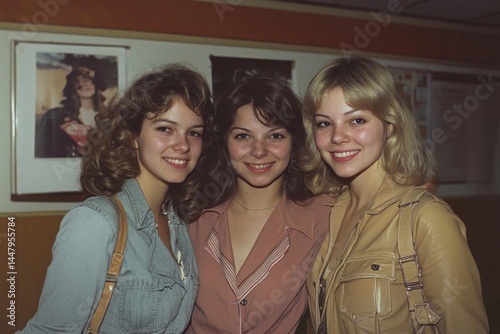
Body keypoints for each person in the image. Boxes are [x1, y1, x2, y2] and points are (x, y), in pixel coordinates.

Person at [18, 63, 214, 333]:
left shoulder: (180, 222)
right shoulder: (95, 223)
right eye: (165, 129)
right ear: (133, 136)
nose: (183, 145)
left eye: (194, 133)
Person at [303, 56, 489, 333]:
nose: (337, 137)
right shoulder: (326, 211)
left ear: (389, 125)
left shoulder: (426, 218)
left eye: (356, 120)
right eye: (324, 123)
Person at [186, 76, 331, 333]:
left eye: (275, 136)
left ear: (294, 142)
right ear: (224, 142)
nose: (259, 150)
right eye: (243, 136)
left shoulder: (323, 215)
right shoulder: (191, 215)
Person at [35, 66, 107, 157]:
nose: (86, 85)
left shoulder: (107, 116)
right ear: (73, 88)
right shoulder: (58, 116)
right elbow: (43, 149)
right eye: (80, 84)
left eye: (90, 81)